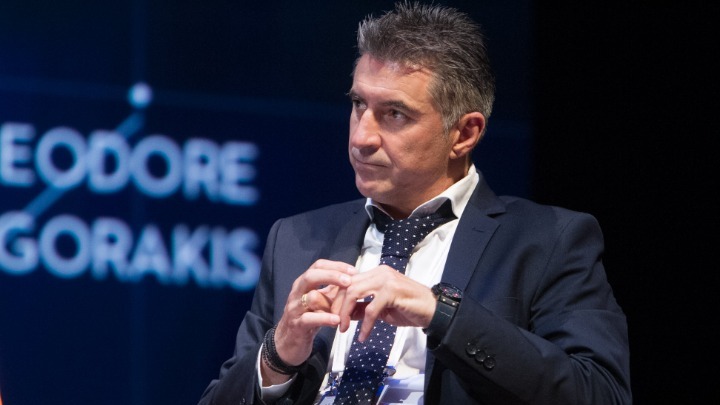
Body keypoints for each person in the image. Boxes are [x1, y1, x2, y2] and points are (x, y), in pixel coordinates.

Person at [198, 2, 631, 404]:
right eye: (358, 104)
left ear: (464, 134)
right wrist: (277, 356)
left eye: (395, 114)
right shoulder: (294, 239)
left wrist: (441, 313)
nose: (361, 137)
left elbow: (599, 392)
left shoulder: (548, 241)